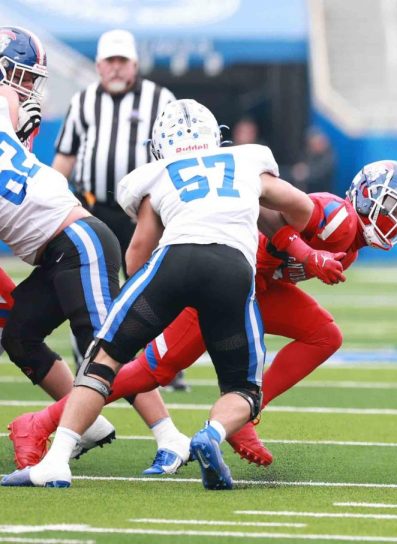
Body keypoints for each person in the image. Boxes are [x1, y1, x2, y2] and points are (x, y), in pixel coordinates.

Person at [2, 99, 344, 490]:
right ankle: (211, 434)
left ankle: (56, 461)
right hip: (233, 271)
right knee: (243, 389)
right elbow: (301, 208)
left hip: (174, 263)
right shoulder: (246, 161)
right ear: (215, 137)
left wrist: (147, 295)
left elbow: (138, 251)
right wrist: (270, 226)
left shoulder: (158, 173)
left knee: (105, 359)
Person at [8, 160, 397, 474]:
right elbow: (269, 217)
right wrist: (308, 255)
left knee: (324, 335)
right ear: (367, 193)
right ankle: (40, 421)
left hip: (257, 286)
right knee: (154, 369)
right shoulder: (337, 217)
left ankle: (244, 418)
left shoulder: (350, 244)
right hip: (226, 278)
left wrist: (300, 262)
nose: (394, 221)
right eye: (391, 207)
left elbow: (277, 266)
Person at [1, 26, 175, 463]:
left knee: (107, 346)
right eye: (21, 78)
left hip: (79, 240)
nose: (25, 90)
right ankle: (88, 423)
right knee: (18, 335)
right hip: (58, 248)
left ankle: (169, 437)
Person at [51, 29, 176, 277]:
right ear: (98, 65)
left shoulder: (161, 99)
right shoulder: (82, 100)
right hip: (93, 208)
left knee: (142, 280)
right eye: (110, 61)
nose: (116, 67)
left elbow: (174, 158)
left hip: (144, 212)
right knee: (92, 281)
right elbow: (66, 156)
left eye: (122, 61)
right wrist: (50, 198)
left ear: (135, 64)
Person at [289, 127, 336, 194]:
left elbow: (321, 172)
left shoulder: (329, 157)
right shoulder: (310, 152)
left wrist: (307, 172)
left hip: (321, 191)